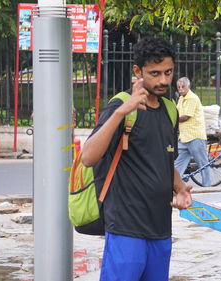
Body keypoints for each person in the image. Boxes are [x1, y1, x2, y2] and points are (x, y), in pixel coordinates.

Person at [81, 37, 192, 281]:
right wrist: (123, 111)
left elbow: (164, 159)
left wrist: (180, 189)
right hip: (126, 226)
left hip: (161, 227)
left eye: (168, 72)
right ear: (137, 71)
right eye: (154, 73)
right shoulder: (120, 106)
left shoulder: (169, 109)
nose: (163, 80)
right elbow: (88, 157)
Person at [174, 77, 211, 187]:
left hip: (195, 137)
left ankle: (207, 187)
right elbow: (177, 113)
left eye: (183, 87)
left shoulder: (192, 98)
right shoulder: (181, 98)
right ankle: (174, 185)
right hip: (184, 137)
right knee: (177, 164)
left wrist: (172, 120)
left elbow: (185, 117)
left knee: (203, 164)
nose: (181, 89)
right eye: (179, 87)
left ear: (188, 87)